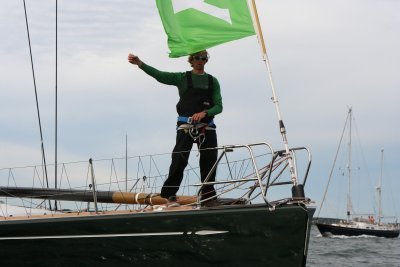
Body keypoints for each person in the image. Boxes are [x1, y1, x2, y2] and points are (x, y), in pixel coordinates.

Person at [128, 50, 223, 205]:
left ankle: (208, 197)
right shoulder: (182, 78)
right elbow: (159, 75)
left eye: (204, 58)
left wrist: (204, 113)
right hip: (186, 126)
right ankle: (169, 195)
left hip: (207, 127)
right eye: (198, 58)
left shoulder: (213, 81)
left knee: (209, 161)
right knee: (179, 160)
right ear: (191, 60)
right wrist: (140, 64)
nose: (201, 60)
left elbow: (219, 107)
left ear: (206, 61)